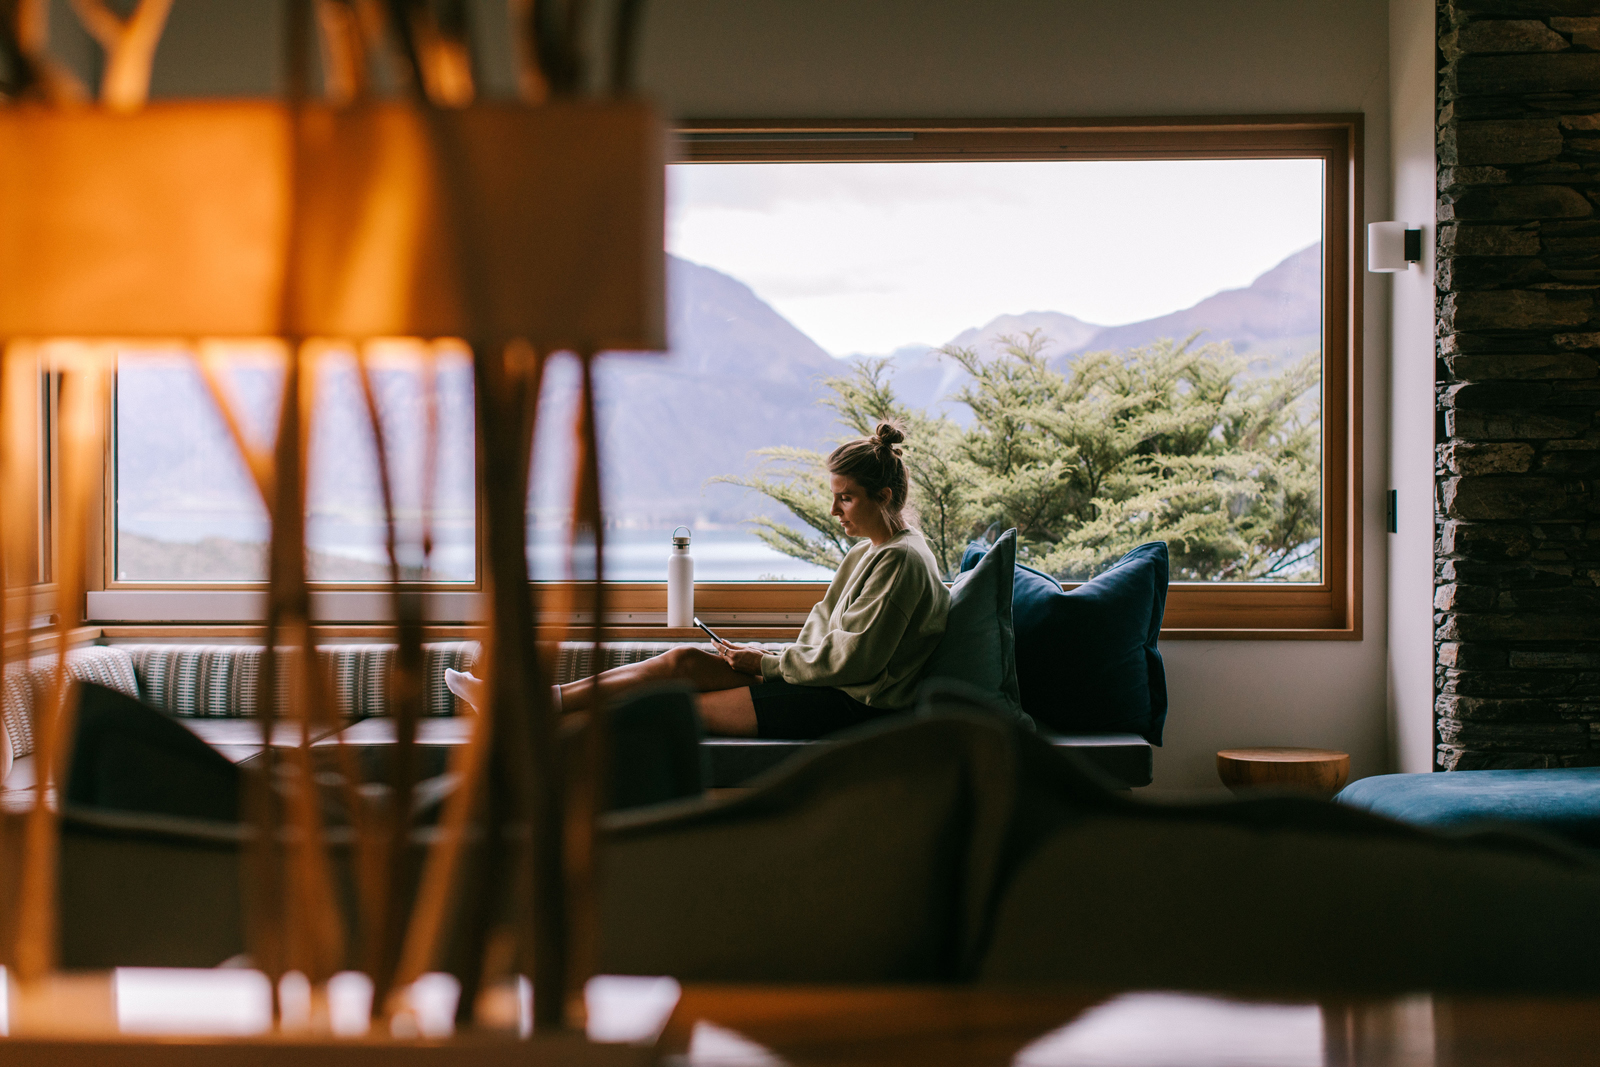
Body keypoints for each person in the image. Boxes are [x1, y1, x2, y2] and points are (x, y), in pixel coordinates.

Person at [446, 421, 951, 740]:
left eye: (845, 497)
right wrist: (758, 655)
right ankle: (533, 704)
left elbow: (856, 660)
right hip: (819, 683)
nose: (833, 509)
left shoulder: (902, 562)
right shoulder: (868, 552)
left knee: (667, 709)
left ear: (883, 496)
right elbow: (822, 633)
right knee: (684, 659)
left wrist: (768, 666)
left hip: (848, 706)